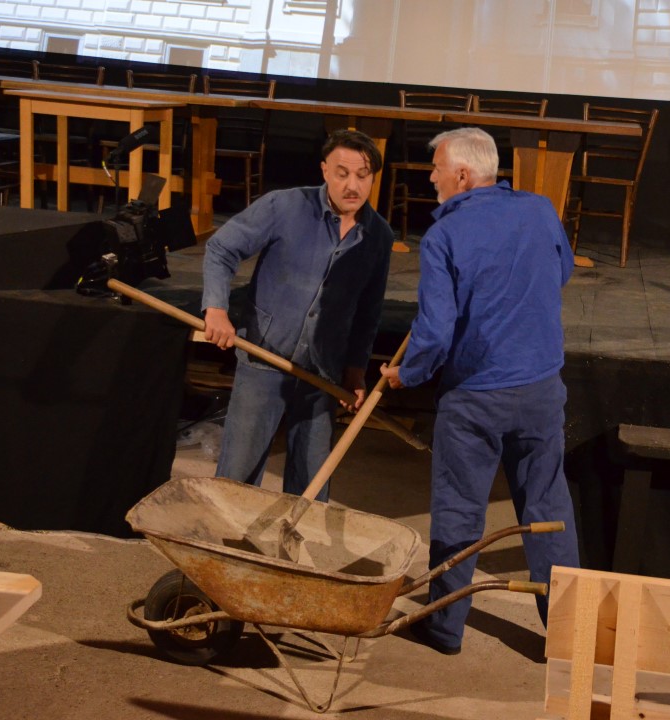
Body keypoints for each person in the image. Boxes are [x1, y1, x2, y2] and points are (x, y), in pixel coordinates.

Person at [380, 127, 579, 654]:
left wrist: (406, 374)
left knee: (459, 509)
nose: (432, 178)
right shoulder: (539, 210)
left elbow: (434, 332)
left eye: (437, 169)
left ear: (463, 176)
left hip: (476, 397)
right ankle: (568, 636)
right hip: (540, 389)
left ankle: (445, 626)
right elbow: (560, 272)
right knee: (548, 509)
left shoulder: (443, 236)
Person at [202, 128, 393, 501]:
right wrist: (216, 309)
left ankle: (295, 541)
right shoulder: (284, 206)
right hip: (264, 356)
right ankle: (224, 538)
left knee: (310, 484)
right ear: (324, 170)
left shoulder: (378, 236)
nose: (352, 185)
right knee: (236, 477)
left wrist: (355, 369)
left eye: (362, 175)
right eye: (342, 173)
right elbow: (222, 249)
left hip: (322, 373)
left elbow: (369, 309)